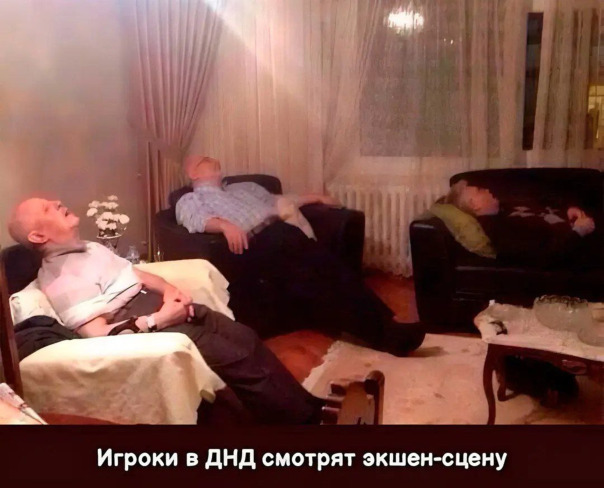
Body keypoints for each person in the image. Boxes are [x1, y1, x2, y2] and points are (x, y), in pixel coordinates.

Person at [7, 197, 326, 425]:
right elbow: (95, 333)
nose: (57, 202)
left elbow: (135, 274)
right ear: (38, 236)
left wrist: (168, 289)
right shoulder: (62, 279)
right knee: (238, 359)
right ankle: (305, 423)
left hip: (160, 307)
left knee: (245, 338)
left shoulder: (90, 248)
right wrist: (160, 318)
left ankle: (308, 408)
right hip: (149, 325)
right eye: (47, 208)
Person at [176, 155, 426, 356]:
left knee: (326, 272)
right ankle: (387, 332)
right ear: (192, 173)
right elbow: (193, 218)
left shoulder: (243, 188)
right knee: (321, 269)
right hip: (252, 248)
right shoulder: (191, 198)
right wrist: (224, 225)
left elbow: (281, 200)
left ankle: (386, 326)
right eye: (204, 160)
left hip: (281, 234)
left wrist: (316, 197)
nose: (213, 160)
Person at [444, 179, 600, 268]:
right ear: (474, 205)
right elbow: (545, 255)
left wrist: (569, 208)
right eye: (479, 190)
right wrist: (578, 231)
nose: (486, 189)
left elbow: (546, 202)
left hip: (582, 221)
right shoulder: (499, 230)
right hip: (585, 245)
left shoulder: (506, 206)